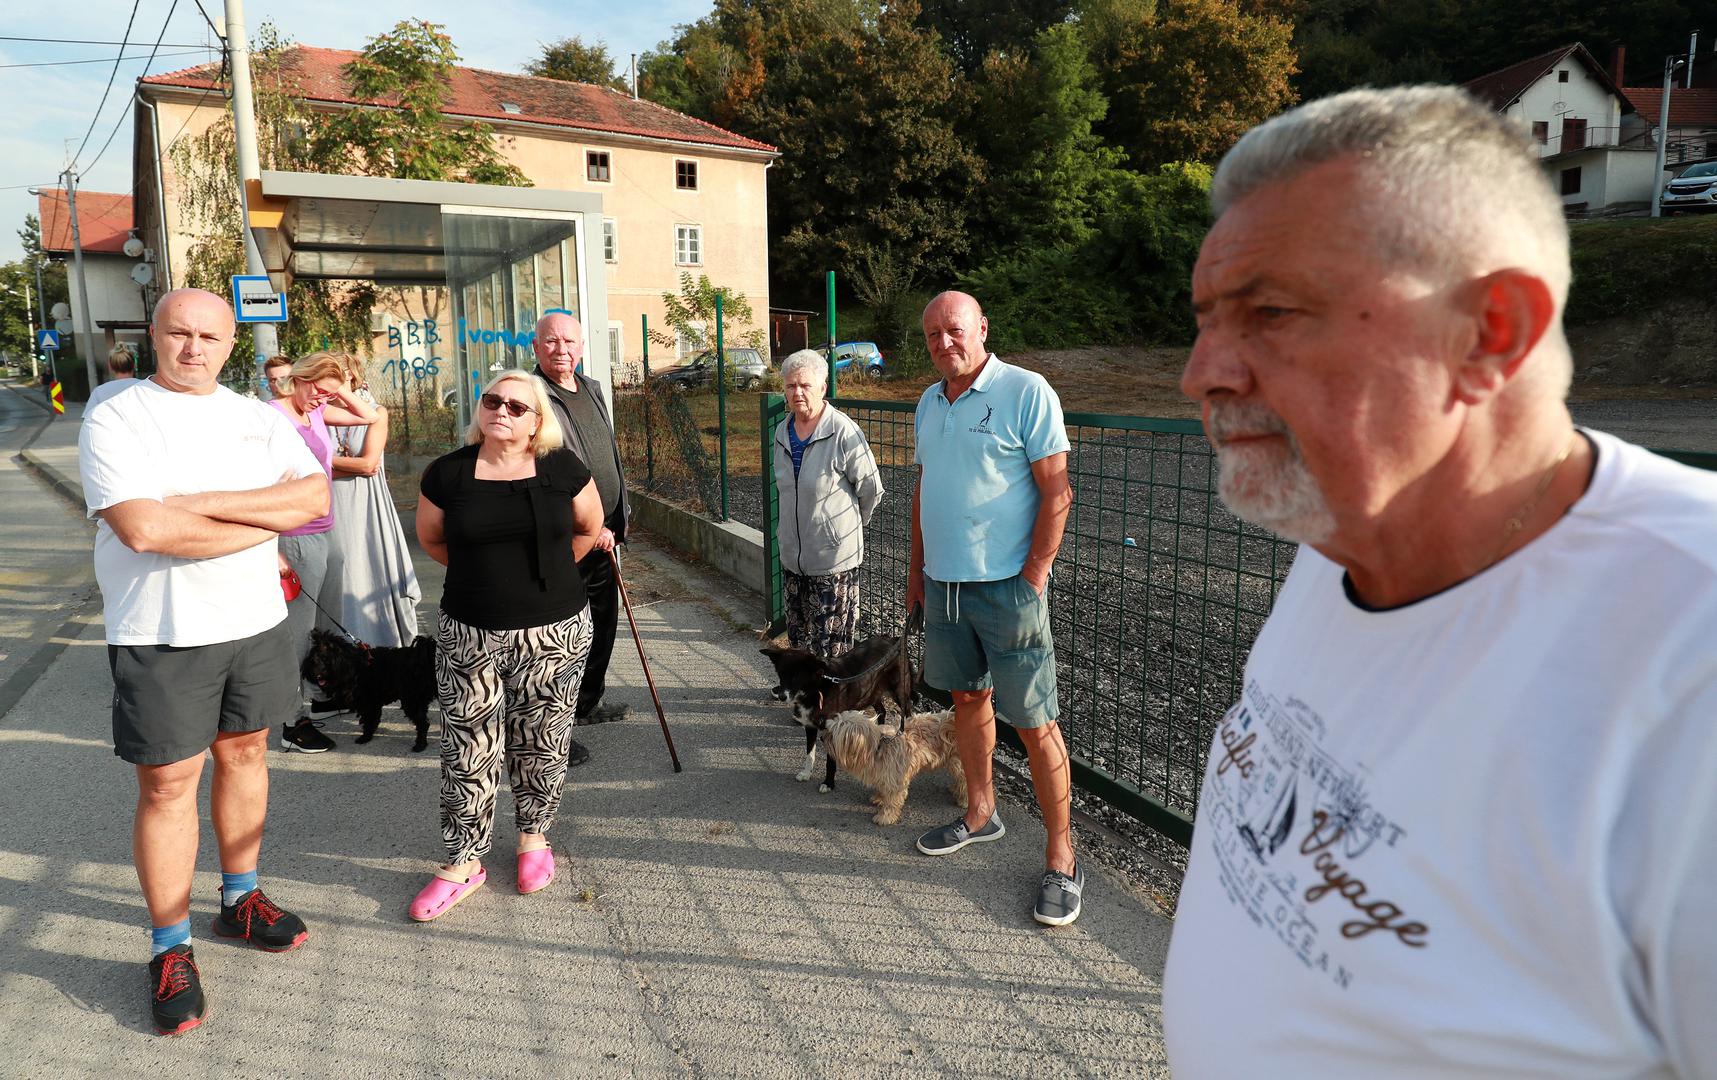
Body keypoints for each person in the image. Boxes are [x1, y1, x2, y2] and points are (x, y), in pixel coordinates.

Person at [1161, 86, 1717, 1078]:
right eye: (1206, 322)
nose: (1202, 372)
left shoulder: (1688, 654)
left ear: (1489, 331)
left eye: (1270, 314)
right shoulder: (1341, 532)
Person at [76, 287, 330, 1036]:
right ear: (153, 335)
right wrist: (260, 517)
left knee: (249, 755)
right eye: (178, 333)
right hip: (162, 629)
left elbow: (313, 496)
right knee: (167, 790)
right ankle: (168, 945)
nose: (194, 348)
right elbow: (145, 530)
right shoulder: (117, 412)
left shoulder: (254, 416)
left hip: (254, 622)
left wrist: (204, 503)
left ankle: (240, 901)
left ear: (231, 344)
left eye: (210, 336)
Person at [906, 291, 1080, 927]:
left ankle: (1062, 854)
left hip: (1009, 586)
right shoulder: (930, 401)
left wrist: (1035, 574)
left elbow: (1055, 488)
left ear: (982, 327)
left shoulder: (1027, 392)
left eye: (953, 330)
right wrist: (916, 571)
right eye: (931, 335)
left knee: (1036, 723)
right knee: (968, 702)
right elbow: (926, 488)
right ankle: (981, 813)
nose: (944, 343)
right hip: (945, 585)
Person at [410, 369, 603, 920]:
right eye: (493, 400)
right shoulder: (446, 474)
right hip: (469, 630)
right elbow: (432, 539)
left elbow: (588, 528)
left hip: (555, 630)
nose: (502, 411)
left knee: (542, 737)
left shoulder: (562, 468)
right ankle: (462, 862)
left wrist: (540, 581)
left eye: (518, 406)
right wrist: (488, 580)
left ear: (537, 421)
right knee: (468, 748)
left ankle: (533, 837)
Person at [531, 311, 631, 764]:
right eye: (551, 341)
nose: (561, 349)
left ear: (583, 346)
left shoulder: (590, 388)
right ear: (536, 347)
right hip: (568, 537)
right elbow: (545, 470)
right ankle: (556, 729)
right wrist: (589, 527)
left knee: (602, 628)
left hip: (605, 534)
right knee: (561, 642)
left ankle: (586, 704)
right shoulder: (531, 396)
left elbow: (606, 452)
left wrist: (615, 521)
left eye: (570, 341)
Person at [269, 352, 379, 752]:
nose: (323, 399)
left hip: (326, 528)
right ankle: (290, 722)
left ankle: (321, 698)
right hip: (294, 535)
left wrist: (340, 390)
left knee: (328, 625)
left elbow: (368, 416)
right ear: (300, 377)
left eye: (329, 393)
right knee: (297, 634)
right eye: (319, 389)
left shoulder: (316, 411)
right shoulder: (272, 417)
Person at [771, 348, 883, 656]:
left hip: (833, 559)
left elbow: (871, 488)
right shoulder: (783, 431)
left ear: (823, 387)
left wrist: (843, 528)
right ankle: (804, 699)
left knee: (830, 647)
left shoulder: (843, 431)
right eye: (791, 385)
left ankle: (831, 703)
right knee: (798, 639)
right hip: (794, 556)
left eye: (805, 385)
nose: (798, 392)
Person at [327, 353, 421, 649]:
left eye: (336, 374)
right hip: (328, 507)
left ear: (351, 377)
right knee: (337, 576)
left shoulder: (376, 411)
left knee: (370, 570)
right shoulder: (317, 414)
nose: (328, 381)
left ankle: (381, 648)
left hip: (367, 507)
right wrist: (338, 464)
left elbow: (368, 465)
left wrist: (323, 463)